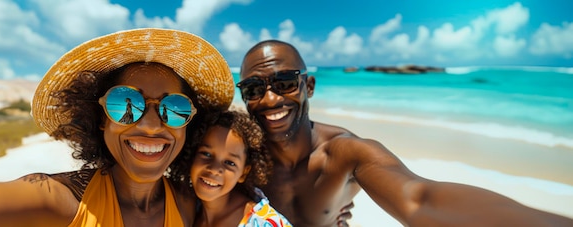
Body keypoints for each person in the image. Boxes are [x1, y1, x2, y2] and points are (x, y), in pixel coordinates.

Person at [237, 40, 573, 227]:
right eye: (253, 89)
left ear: (308, 86)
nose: (270, 99)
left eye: (284, 83)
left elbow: (417, 198)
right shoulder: (239, 152)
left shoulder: (345, 154)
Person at [0, 28, 234, 226]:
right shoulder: (60, 200)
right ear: (99, 119)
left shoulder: (188, 203)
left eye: (174, 108)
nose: (149, 126)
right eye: (125, 103)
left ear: (189, 124)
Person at [169, 110, 292, 227]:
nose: (214, 169)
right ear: (192, 154)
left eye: (230, 163)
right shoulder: (186, 208)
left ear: (243, 173)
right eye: (206, 154)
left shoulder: (262, 222)